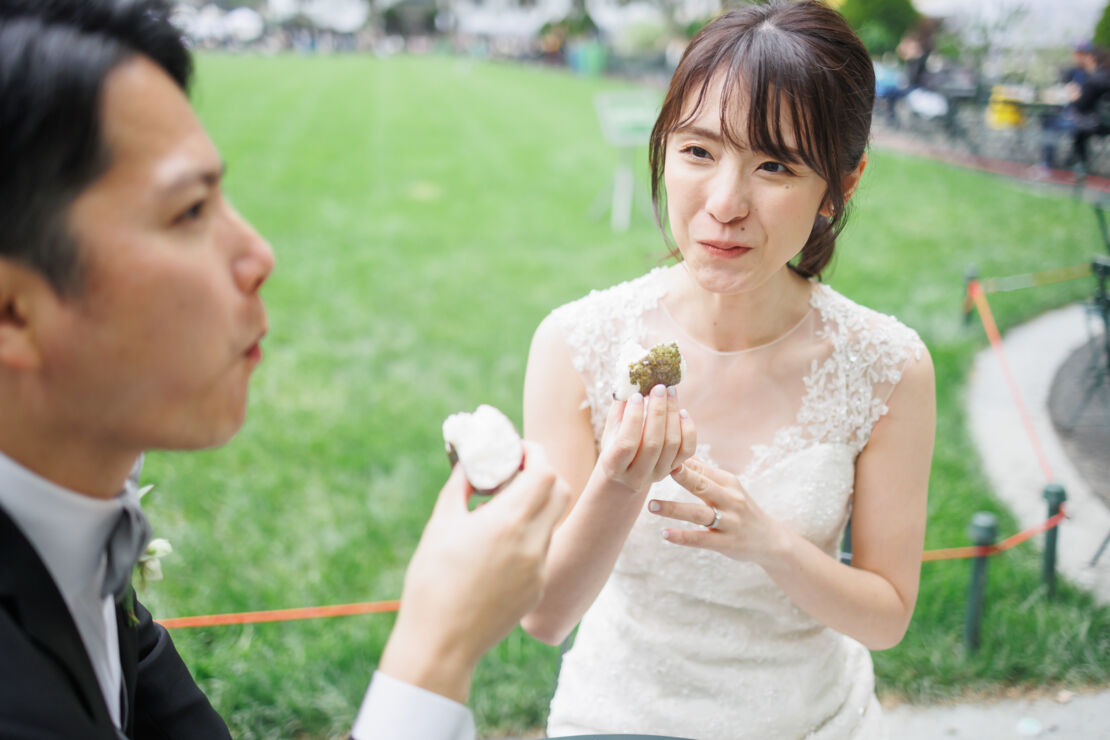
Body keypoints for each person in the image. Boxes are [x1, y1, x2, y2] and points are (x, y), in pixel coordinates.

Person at [0, 1, 568, 738]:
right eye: (190, 211)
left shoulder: (73, 527)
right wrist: (438, 648)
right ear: (14, 311)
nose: (259, 254)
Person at [521, 3, 936, 738]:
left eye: (775, 165)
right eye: (698, 152)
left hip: (813, 719)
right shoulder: (574, 343)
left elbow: (888, 618)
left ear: (841, 184)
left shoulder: (888, 367)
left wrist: (770, 542)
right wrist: (619, 483)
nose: (724, 205)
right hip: (621, 715)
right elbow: (545, 616)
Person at [1039, 42, 1110, 172]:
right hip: (1099, 122)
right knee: (1070, 128)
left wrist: (1073, 95)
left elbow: (1081, 105)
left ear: (1091, 58)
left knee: (1049, 122)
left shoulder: (1094, 79)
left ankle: (1047, 165)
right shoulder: (1101, 75)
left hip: (1092, 123)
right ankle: (1079, 164)